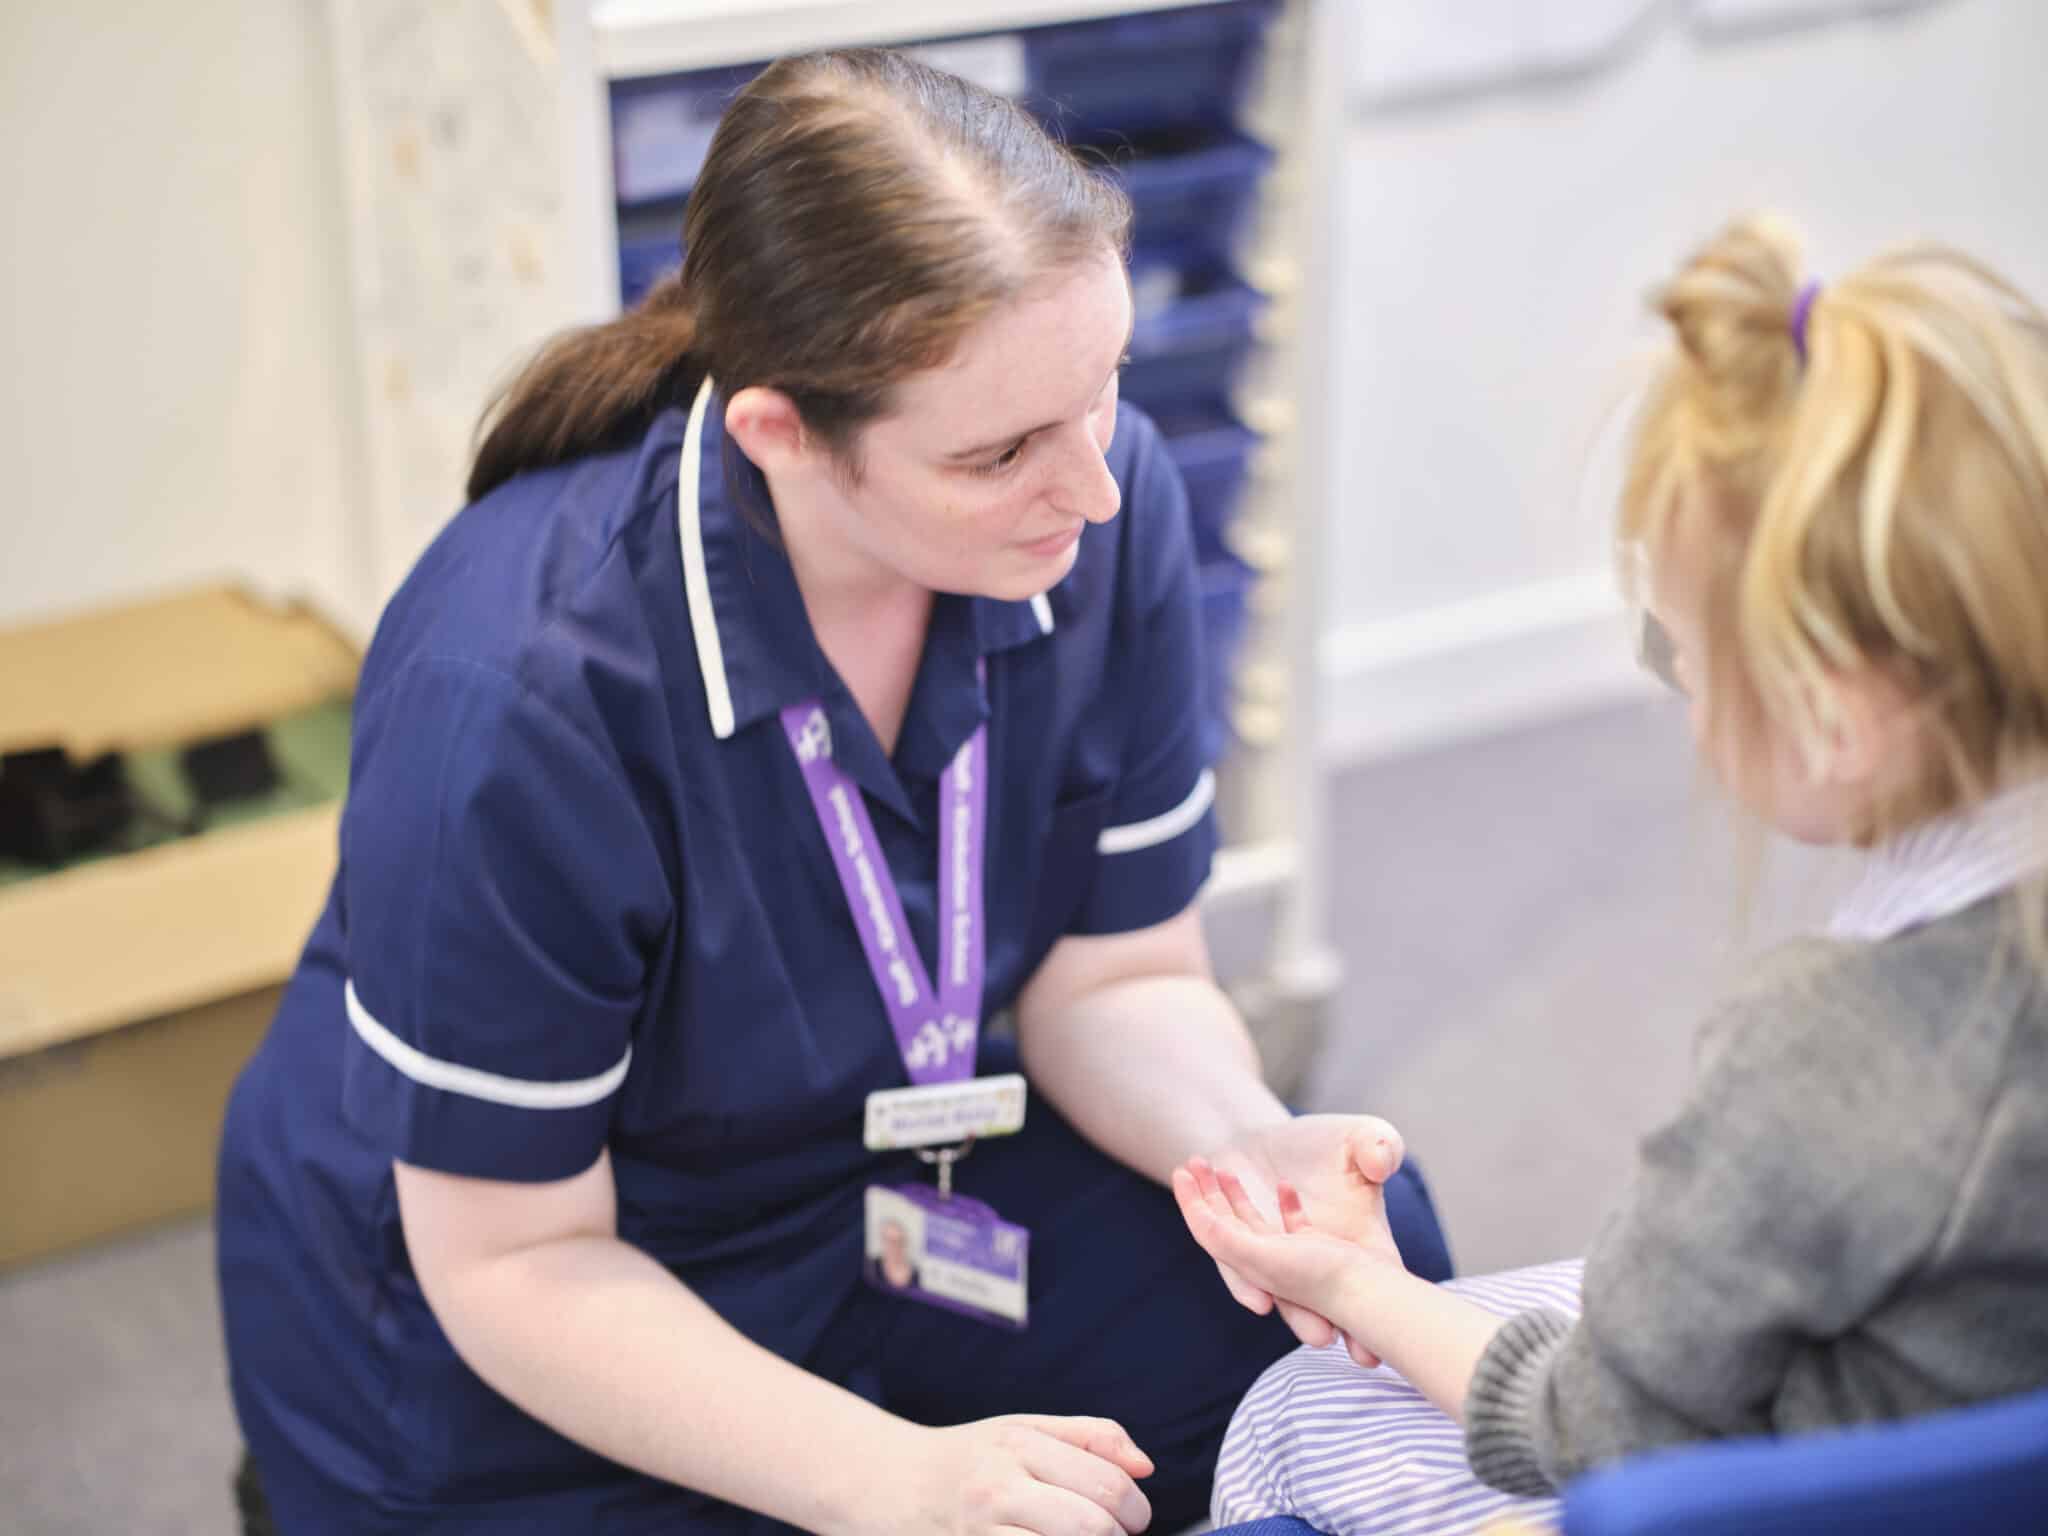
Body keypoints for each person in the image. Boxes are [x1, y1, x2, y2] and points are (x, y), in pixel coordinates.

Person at [214, 49, 1452, 1536]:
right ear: (781, 436)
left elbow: (1116, 978)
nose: (1100, 487)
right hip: (530, 1303)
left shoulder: (1087, 504)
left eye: (1104, 388)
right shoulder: (520, 689)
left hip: (868, 1190)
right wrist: (893, 1480)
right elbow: (513, 1262)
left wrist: (1236, 1140)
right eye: (1000, 452)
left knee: (1360, 1290)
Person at [1177, 216, 2048, 1534]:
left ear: (1832, 712)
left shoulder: (1834, 1048)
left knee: (1298, 1417)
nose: (1689, 709)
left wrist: (1353, 1288)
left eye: (1685, 656)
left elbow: (1597, 1436)